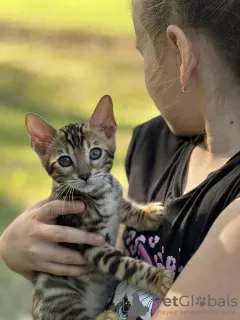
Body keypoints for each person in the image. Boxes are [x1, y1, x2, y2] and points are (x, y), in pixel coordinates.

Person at [1, 0, 240, 319]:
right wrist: (16, 250)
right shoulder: (152, 146)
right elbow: (108, 253)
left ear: (180, 51)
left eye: (142, 51)